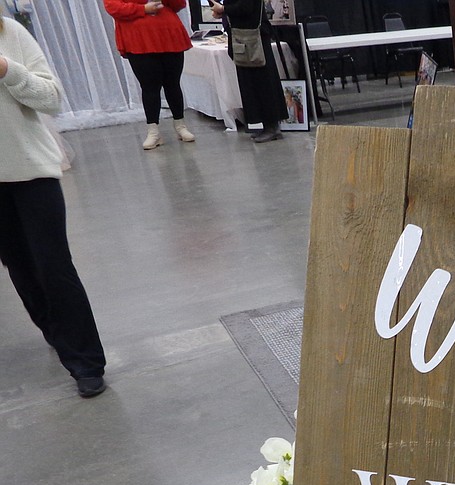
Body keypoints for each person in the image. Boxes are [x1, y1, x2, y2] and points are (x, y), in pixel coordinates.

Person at [0, 15, 107, 397]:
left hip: (32, 171)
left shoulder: (10, 33)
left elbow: (52, 98)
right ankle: (56, 332)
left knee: (53, 264)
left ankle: (86, 361)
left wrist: (7, 69)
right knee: (21, 268)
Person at [103, 0, 195, 150]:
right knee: (149, 87)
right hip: (138, 38)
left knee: (173, 84)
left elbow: (179, 4)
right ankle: (153, 131)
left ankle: (180, 125)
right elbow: (113, 7)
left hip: (168, 34)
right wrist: (142, 9)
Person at [210, 0, 285, 142]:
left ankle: (272, 125)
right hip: (242, 35)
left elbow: (247, 6)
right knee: (251, 83)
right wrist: (223, 11)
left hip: (254, 37)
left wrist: (224, 8)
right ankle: (265, 124)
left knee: (263, 82)